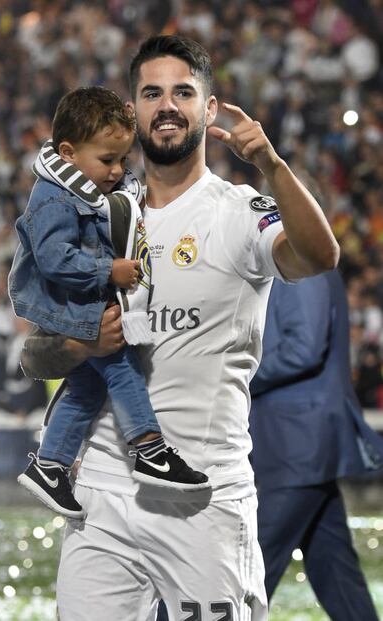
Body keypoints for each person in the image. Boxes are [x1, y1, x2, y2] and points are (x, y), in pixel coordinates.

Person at [20, 35, 339, 621]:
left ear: (209, 109)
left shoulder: (240, 211)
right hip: (103, 501)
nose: (167, 104)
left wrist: (270, 163)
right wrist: (77, 343)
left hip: (202, 500)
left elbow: (319, 255)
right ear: (133, 110)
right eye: (152, 92)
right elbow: (34, 356)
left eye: (183, 92)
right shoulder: (98, 216)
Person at [9, 86, 209, 520]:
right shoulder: (54, 197)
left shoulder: (83, 190)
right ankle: (148, 448)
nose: (118, 170)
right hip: (69, 302)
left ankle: (51, 465)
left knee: (87, 385)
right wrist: (108, 271)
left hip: (80, 298)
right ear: (67, 153)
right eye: (107, 160)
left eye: (122, 159)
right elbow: (53, 258)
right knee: (120, 367)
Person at [249, 270, 383, 621]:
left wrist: (237, 372)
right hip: (301, 443)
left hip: (299, 444)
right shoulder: (293, 256)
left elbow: (303, 347)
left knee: (246, 571)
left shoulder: (301, 261)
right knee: (335, 571)